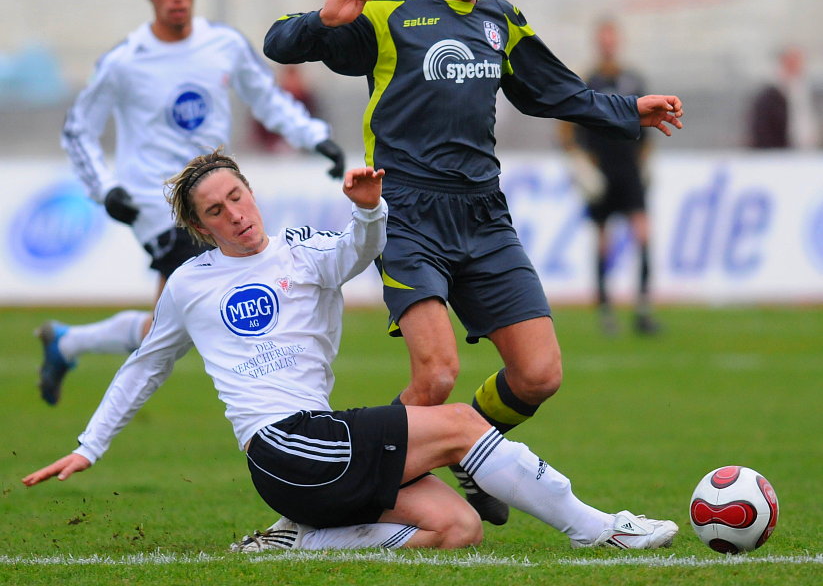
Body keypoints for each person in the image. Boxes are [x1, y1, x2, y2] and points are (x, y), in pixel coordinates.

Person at [261, 0, 684, 524]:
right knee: (435, 378)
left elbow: (553, 91)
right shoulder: (387, 13)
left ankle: (469, 450)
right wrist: (325, 19)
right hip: (407, 214)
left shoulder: (500, 19)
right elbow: (280, 45)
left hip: (485, 216)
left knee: (539, 373)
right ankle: (326, 502)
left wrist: (628, 110)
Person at [22, 150, 679, 554]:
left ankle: (305, 543)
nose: (236, 214)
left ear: (252, 190)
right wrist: (90, 445)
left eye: (237, 196)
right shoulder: (190, 285)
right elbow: (146, 366)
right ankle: (598, 529)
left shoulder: (302, 245)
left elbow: (354, 254)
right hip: (282, 448)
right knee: (459, 424)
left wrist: (368, 213)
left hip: (315, 455)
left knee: (457, 528)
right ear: (200, 227)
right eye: (216, 211)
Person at [37, 0, 346, 406]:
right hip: (157, 207)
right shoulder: (125, 62)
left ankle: (67, 342)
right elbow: (78, 130)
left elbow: (265, 97)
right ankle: (274, 401)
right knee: (193, 314)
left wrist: (313, 136)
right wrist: (107, 190)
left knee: (170, 327)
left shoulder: (222, 45)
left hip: (215, 194)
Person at [557, 19, 660, 336]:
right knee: (603, 241)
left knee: (642, 234)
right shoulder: (586, 80)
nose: (608, 44)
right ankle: (606, 310)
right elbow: (566, 127)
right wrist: (581, 163)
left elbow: (649, 122)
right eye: (603, 39)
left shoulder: (633, 79)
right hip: (600, 169)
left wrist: (645, 163)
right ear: (597, 42)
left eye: (612, 38)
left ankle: (643, 309)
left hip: (628, 168)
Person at [748, 45, 820, 149]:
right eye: (791, 62)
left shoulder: (810, 93)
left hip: (809, 153)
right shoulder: (768, 97)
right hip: (780, 155)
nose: (796, 66)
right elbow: (762, 131)